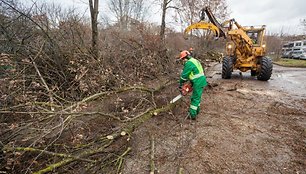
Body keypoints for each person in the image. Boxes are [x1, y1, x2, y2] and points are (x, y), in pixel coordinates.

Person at [178, 50, 207, 120]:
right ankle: (196, 111)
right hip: (200, 80)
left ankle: (192, 115)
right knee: (197, 97)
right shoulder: (194, 60)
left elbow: (184, 76)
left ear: (185, 58)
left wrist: (181, 83)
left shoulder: (189, 63)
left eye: (183, 59)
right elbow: (195, 73)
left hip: (198, 81)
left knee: (195, 98)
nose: (183, 61)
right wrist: (190, 83)